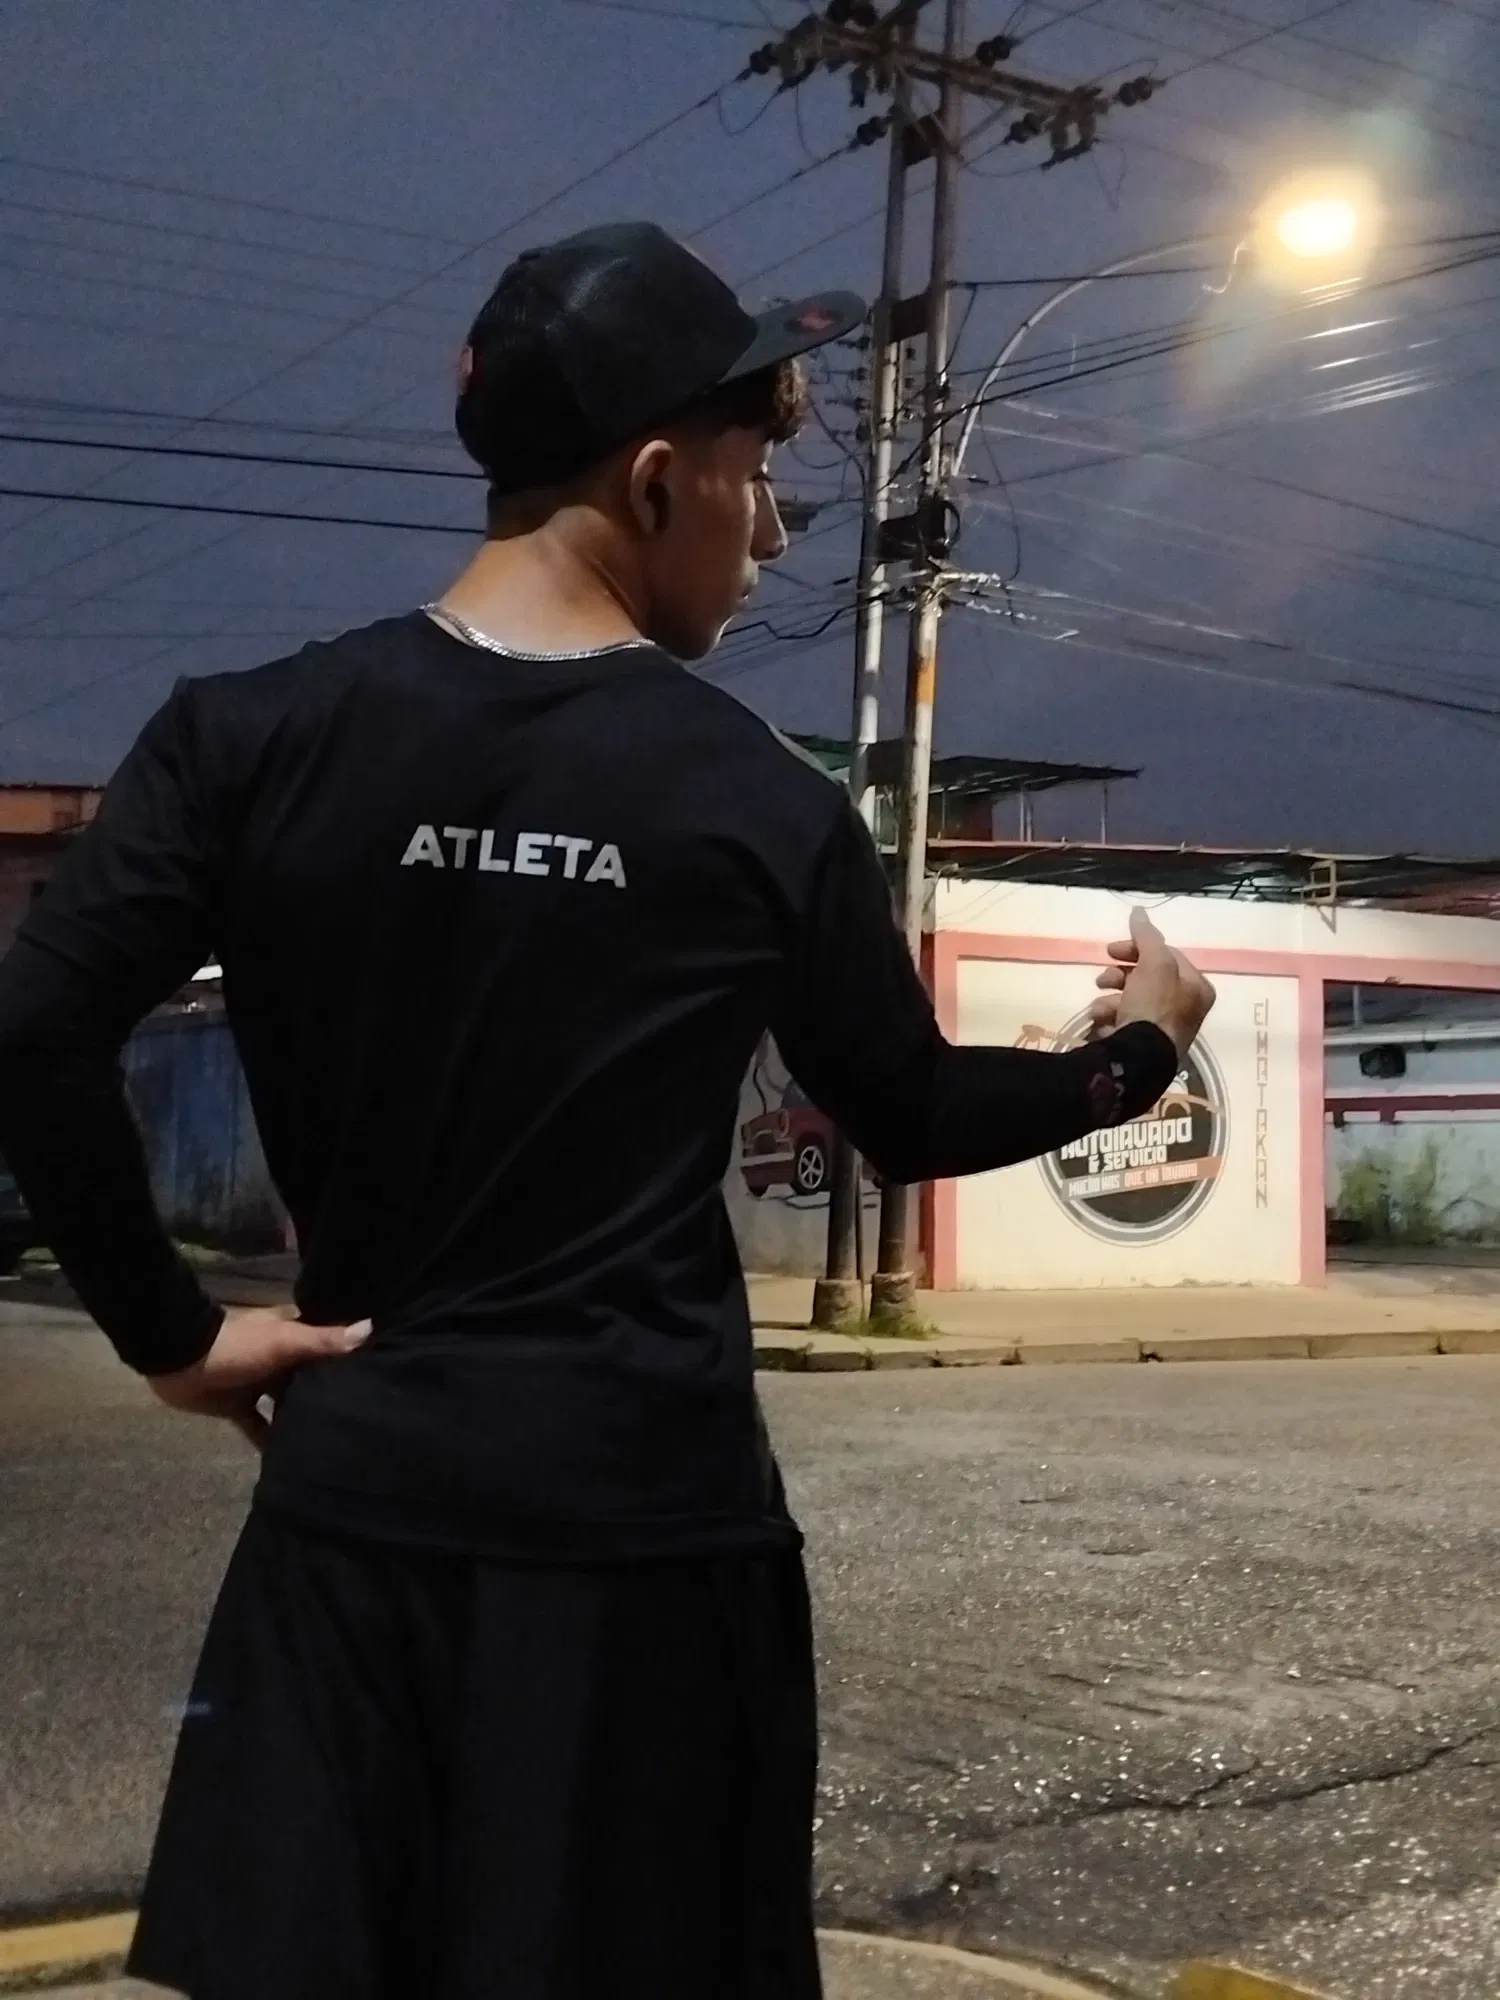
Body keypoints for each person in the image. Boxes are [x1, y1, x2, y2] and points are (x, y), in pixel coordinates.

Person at [0, 221, 1214, 2000]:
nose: (764, 531)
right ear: (654, 480)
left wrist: (171, 1335)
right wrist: (1142, 1051)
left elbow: (34, 1028)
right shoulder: (757, 802)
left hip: (360, 1520)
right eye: (749, 479)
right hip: (651, 1545)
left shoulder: (248, 737)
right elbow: (917, 1112)